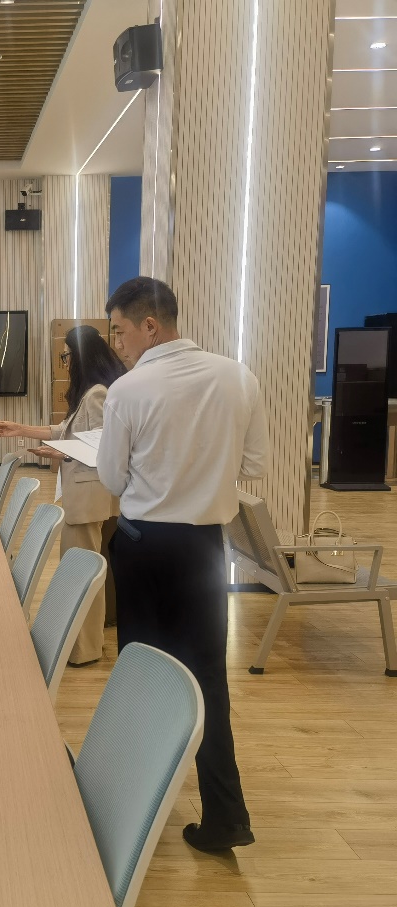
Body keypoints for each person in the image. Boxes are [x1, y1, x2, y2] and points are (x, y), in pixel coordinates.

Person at [96, 276, 268, 853]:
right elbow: (255, 466)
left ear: (150, 325)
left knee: (142, 673)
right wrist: (201, 465)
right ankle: (226, 817)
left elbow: (112, 478)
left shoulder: (128, 390)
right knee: (208, 679)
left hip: (145, 547)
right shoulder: (238, 377)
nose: (117, 343)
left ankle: (128, 806)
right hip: (204, 550)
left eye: (120, 331)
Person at [0, 325, 126, 664]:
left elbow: (103, 446)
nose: (65, 363)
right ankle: (83, 645)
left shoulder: (97, 394)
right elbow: (65, 431)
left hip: (89, 495)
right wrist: (21, 429)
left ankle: (84, 650)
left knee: (80, 572)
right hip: (85, 492)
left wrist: (62, 452)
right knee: (81, 570)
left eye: (66, 355)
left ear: (80, 355)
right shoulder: (91, 391)